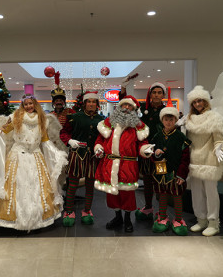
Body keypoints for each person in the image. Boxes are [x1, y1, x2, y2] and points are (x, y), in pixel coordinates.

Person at [0, 94, 67, 231]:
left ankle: (37, 219)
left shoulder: (43, 120)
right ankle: (13, 219)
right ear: (22, 105)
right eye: (26, 104)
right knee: (15, 186)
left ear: (35, 104)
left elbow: (45, 140)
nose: (28, 106)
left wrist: (57, 153)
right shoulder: (15, 118)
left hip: (36, 157)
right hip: (17, 157)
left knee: (38, 187)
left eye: (30, 103)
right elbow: (2, 131)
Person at [94, 95, 153, 232]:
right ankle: (117, 217)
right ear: (119, 107)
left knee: (127, 194)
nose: (126, 108)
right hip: (109, 163)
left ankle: (127, 218)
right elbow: (100, 140)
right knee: (112, 194)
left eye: (129, 106)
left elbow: (142, 144)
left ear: (134, 109)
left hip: (128, 164)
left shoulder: (138, 127)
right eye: (123, 105)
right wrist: (98, 148)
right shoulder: (109, 124)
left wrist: (145, 150)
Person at [121, 80, 167, 220]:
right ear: (150, 94)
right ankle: (148, 207)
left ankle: (162, 211)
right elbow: (126, 104)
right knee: (147, 180)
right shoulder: (142, 109)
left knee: (162, 180)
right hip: (145, 152)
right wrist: (123, 90)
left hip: (161, 153)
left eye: (159, 92)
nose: (156, 95)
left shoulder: (167, 111)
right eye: (154, 92)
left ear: (163, 95)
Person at [185, 86, 223, 237]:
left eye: (200, 101)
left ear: (206, 101)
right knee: (196, 192)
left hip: (209, 159)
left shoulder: (214, 117)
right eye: (194, 102)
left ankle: (214, 222)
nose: (197, 104)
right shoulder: (189, 119)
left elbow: (219, 138)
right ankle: (201, 219)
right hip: (194, 159)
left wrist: (219, 148)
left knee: (211, 192)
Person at [61, 91, 104, 226]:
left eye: (93, 102)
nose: (91, 104)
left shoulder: (101, 120)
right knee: (72, 184)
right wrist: (69, 141)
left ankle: (87, 210)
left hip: (92, 155)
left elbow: (103, 137)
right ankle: (68, 211)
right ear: (84, 103)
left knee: (90, 185)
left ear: (97, 104)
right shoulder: (74, 117)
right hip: (76, 153)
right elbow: (63, 132)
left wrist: (101, 147)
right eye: (88, 101)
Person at [150, 103, 191, 236]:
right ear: (162, 120)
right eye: (166, 119)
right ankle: (162, 217)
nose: (168, 122)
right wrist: (155, 154)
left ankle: (178, 219)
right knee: (162, 194)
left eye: (171, 119)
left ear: (175, 120)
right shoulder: (157, 136)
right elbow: (151, 154)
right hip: (160, 171)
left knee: (177, 196)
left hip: (176, 172)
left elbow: (186, 158)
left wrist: (181, 175)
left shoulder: (181, 138)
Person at [50, 73, 76, 190]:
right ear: (53, 102)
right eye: (57, 100)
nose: (59, 102)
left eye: (61, 100)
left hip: (68, 145)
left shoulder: (71, 112)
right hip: (53, 146)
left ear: (64, 101)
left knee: (67, 169)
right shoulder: (50, 115)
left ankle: (69, 192)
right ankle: (57, 191)